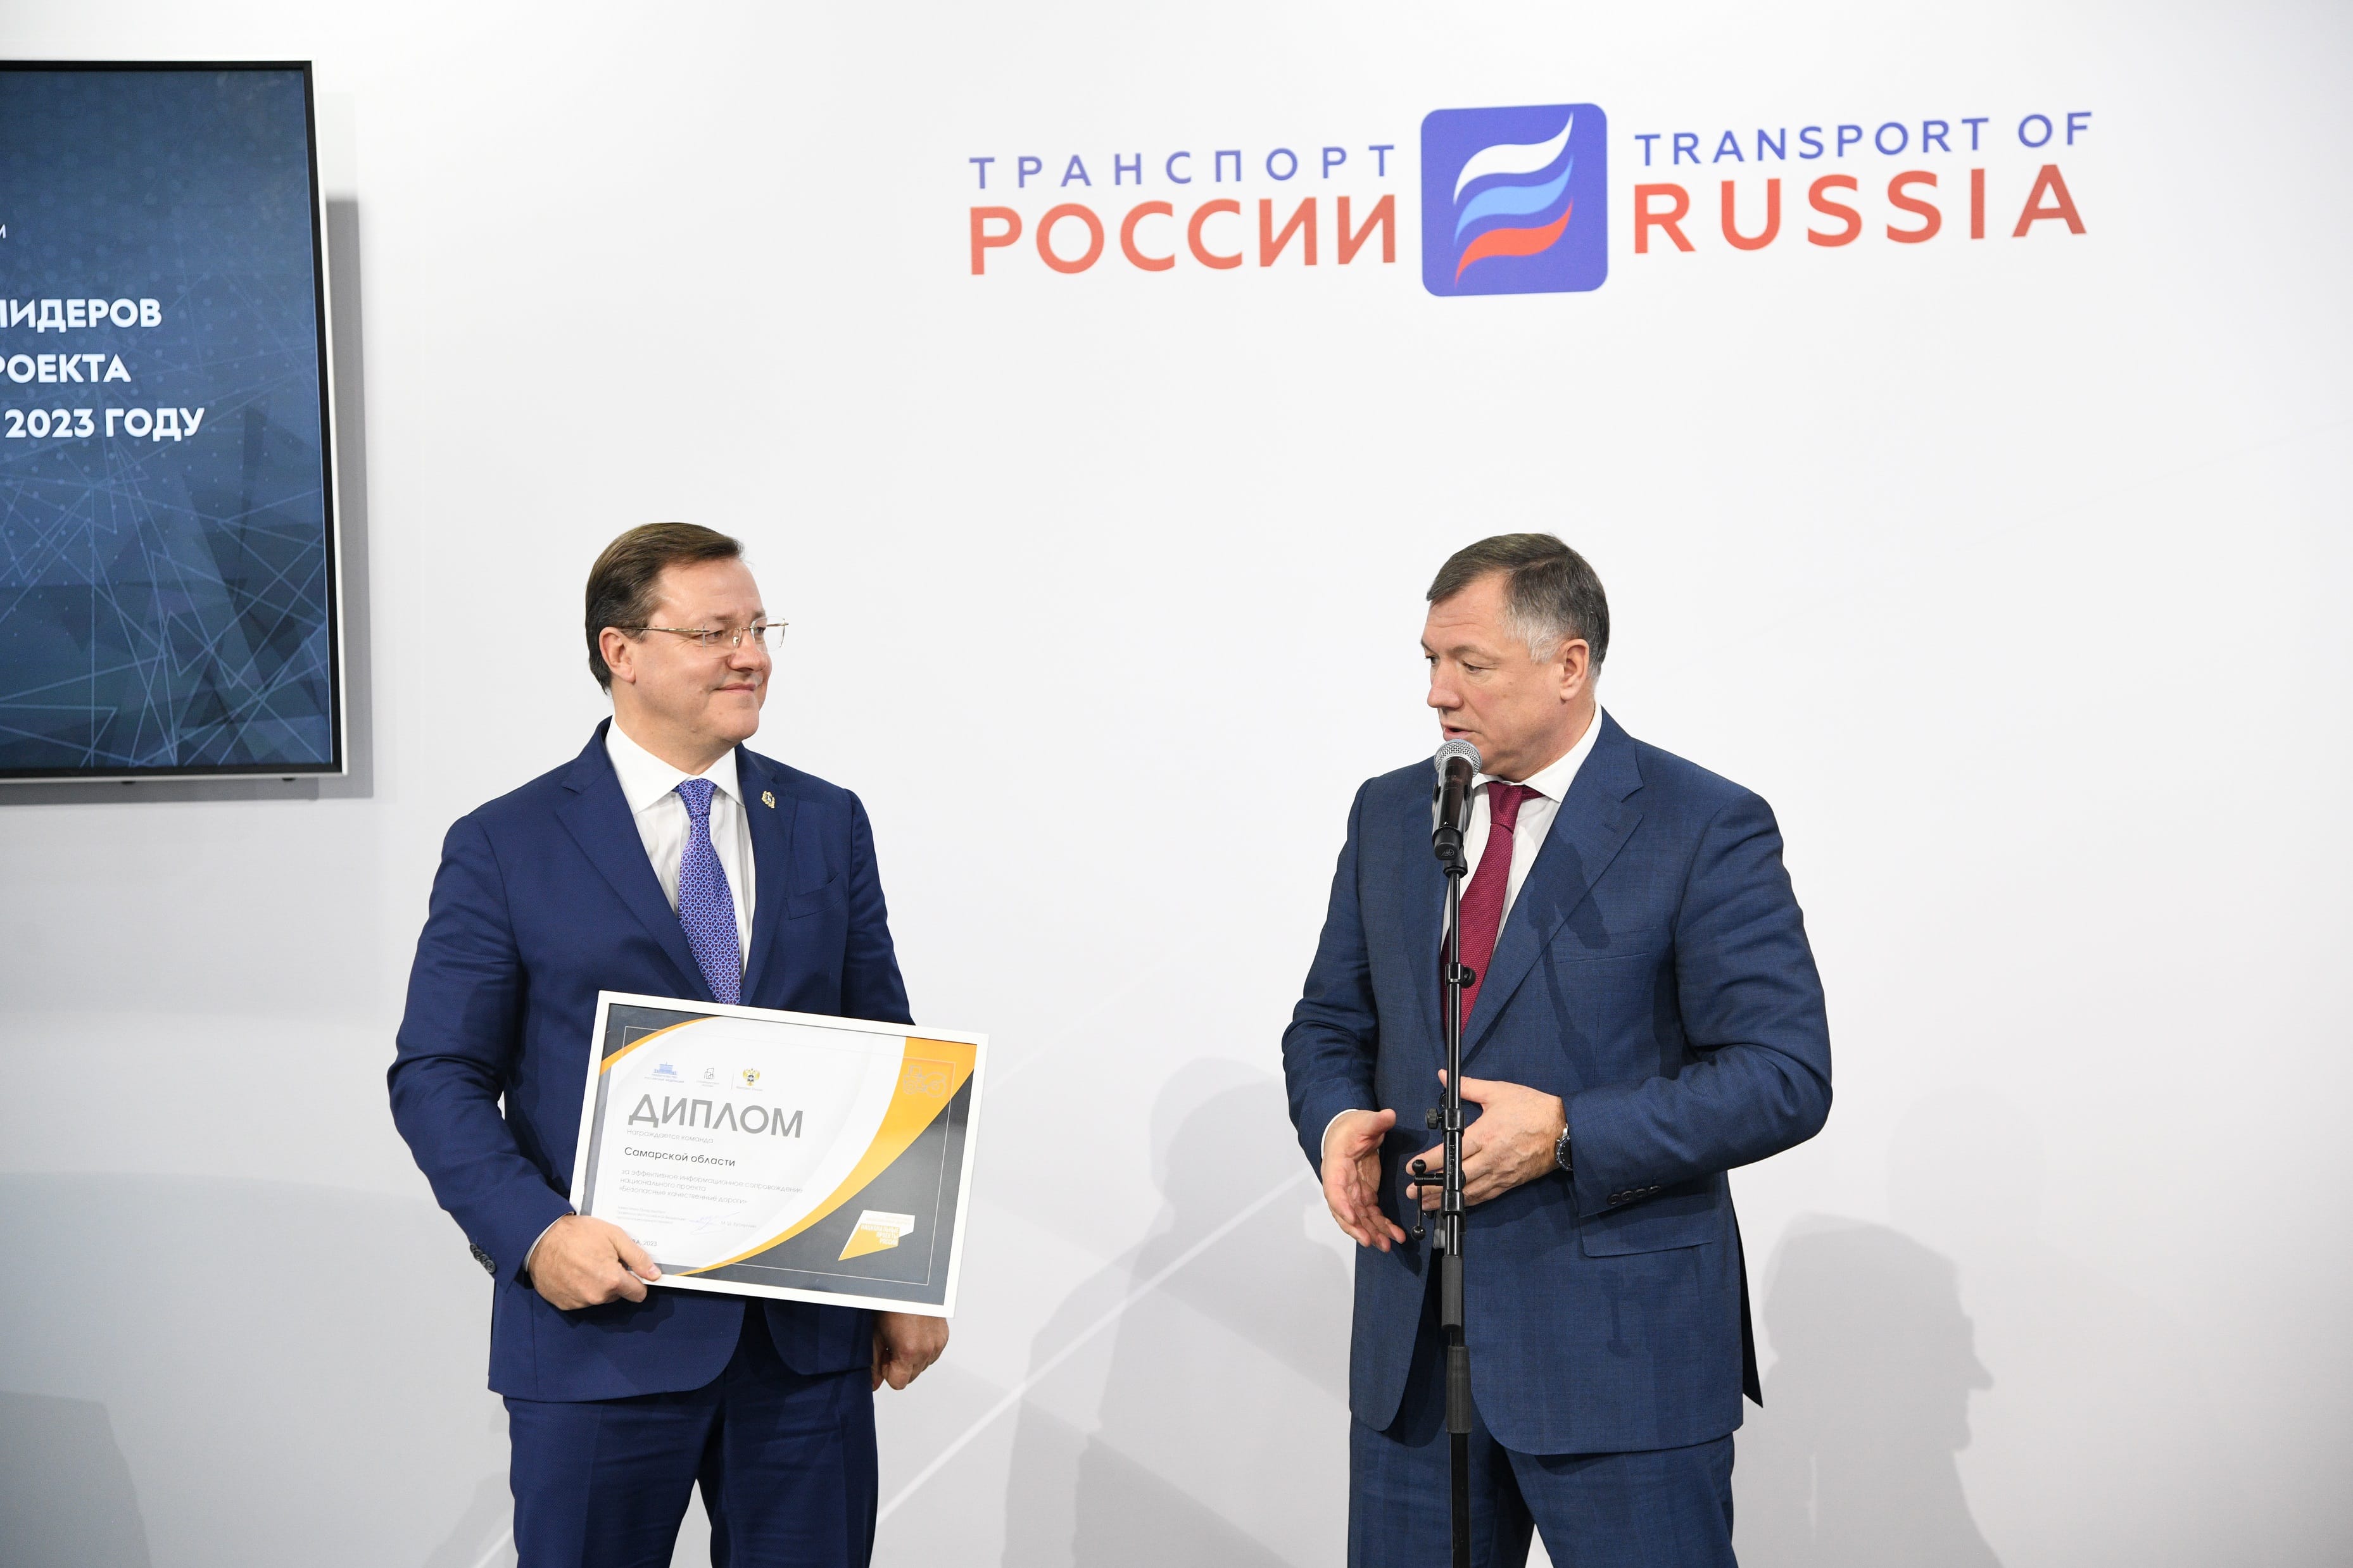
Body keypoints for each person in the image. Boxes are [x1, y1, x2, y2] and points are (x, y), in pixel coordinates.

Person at [389, 523, 946, 1567]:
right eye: (715, 632)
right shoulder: (506, 843)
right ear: (622, 651)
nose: (751, 656)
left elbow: (885, 1051)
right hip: (603, 1333)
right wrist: (538, 1234)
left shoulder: (825, 821)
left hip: (803, 1347)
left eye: (760, 629)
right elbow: (438, 1076)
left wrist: (901, 1277)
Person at [1283, 534, 1832, 1567]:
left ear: (1569, 664)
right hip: (1414, 1366)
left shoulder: (1704, 824)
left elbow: (1784, 1075)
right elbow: (1328, 1022)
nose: (1438, 692)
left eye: (1471, 663)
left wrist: (1571, 1133)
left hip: (1623, 1364)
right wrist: (1336, 1116)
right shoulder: (1393, 812)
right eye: (1431, 659)